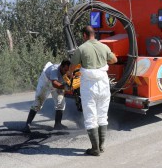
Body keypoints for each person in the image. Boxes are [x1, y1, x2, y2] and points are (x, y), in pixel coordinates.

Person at [70, 25, 117, 156]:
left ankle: (95, 149)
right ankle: (101, 146)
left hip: (89, 85)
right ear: (93, 34)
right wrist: (103, 61)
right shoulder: (104, 47)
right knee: (102, 115)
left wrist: (70, 73)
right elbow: (114, 60)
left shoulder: (81, 48)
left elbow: (73, 66)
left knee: (91, 116)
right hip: (103, 83)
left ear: (84, 35)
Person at [23, 59, 71, 133]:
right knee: (38, 102)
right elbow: (54, 83)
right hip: (46, 82)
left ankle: (58, 124)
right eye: (65, 69)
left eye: (68, 70)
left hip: (59, 84)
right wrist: (65, 87)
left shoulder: (67, 70)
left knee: (60, 102)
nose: (66, 72)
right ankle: (27, 124)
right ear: (61, 67)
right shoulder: (54, 70)